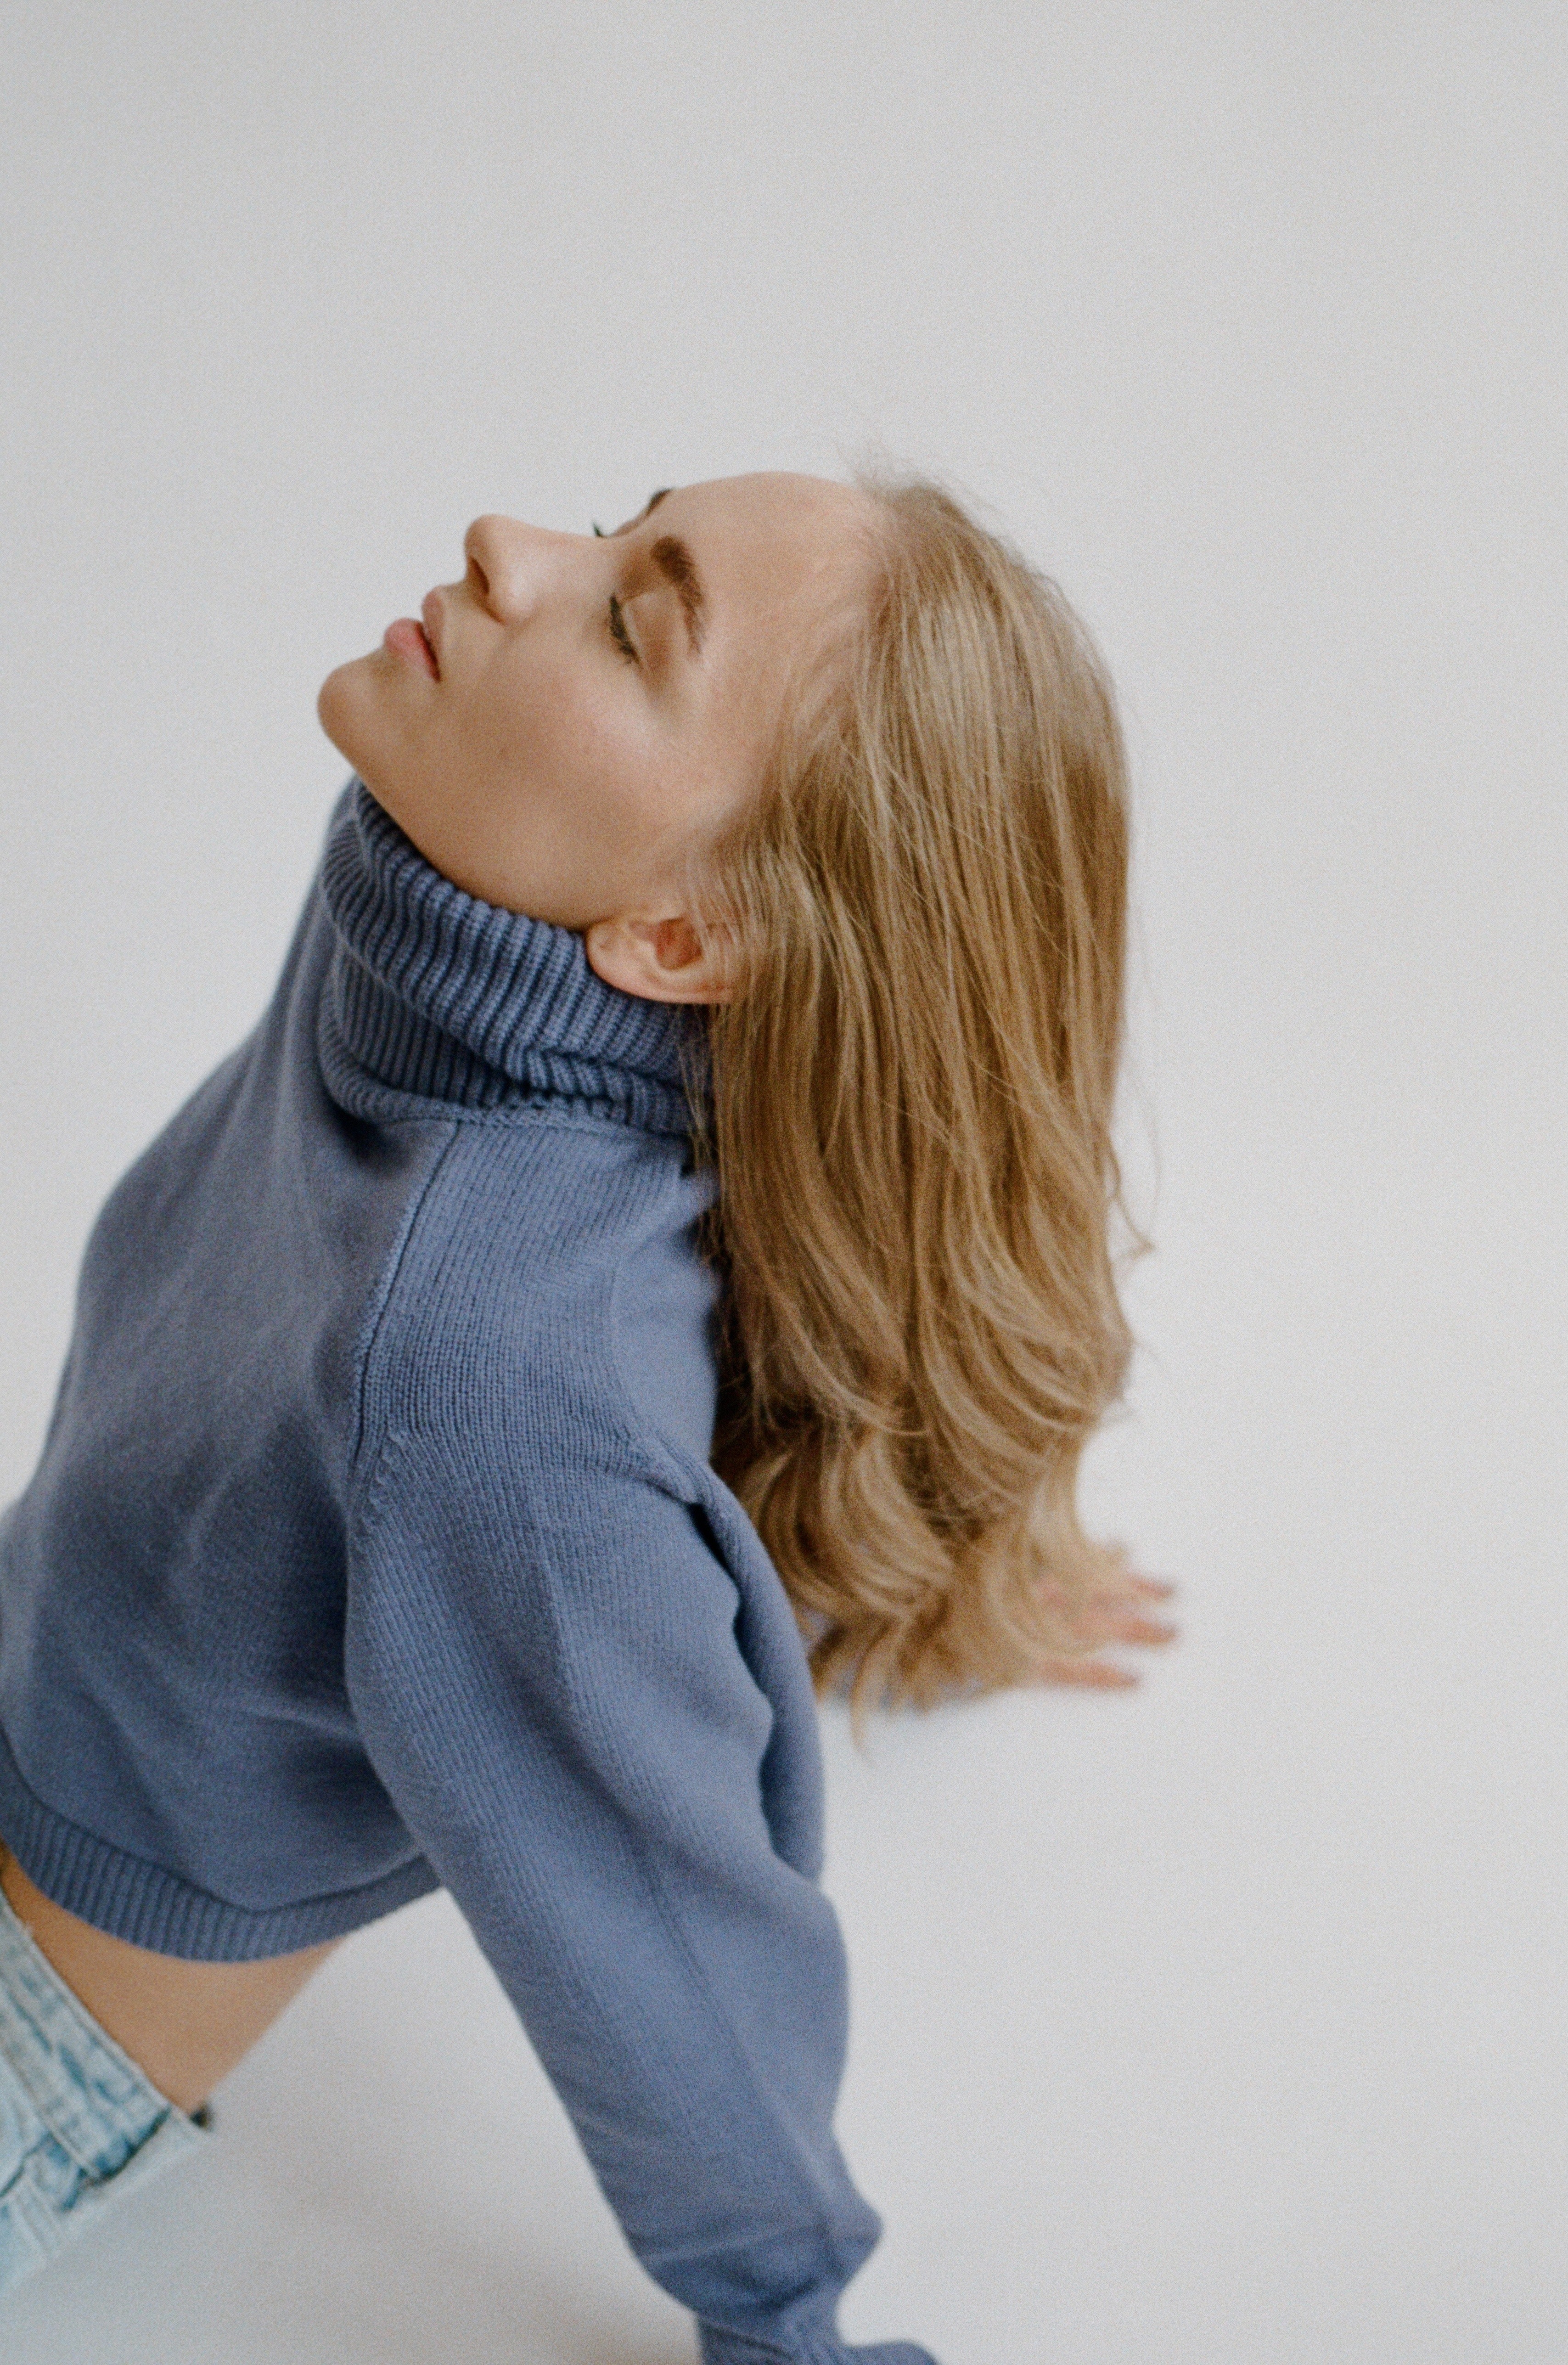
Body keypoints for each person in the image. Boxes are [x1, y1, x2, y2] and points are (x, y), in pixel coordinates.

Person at [0, 470, 1176, 2355]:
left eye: (633, 620)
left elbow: (668, 1964)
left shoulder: (496, 1386)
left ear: (686, 947)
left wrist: (787, 2322)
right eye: (617, 529)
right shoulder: (441, 908)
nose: (504, 545)